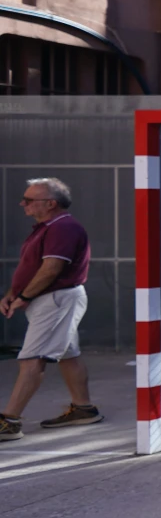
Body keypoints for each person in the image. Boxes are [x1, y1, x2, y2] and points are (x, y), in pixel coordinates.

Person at [1, 177, 97, 438]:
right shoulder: (48, 227)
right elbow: (30, 267)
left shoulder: (62, 228)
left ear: (50, 203)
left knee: (32, 358)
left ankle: (9, 421)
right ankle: (84, 409)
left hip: (56, 299)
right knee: (68, 354)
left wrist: (24, 296)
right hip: (55, 299)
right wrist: (12, 293)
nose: (23, 204)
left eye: (29, 200)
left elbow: (51, 269)